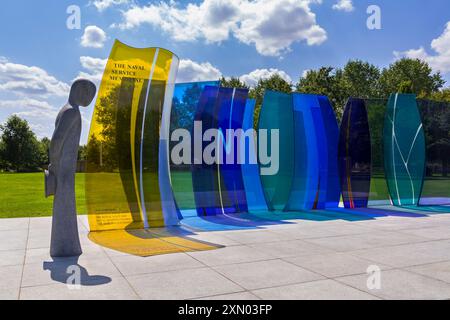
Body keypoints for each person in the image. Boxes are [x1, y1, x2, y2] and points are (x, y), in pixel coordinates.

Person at [45, 79, 96, 257]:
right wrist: (54, 164)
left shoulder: (66, 110)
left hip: (64, 168)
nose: (90, 99)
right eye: (89, 94)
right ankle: (65, 247)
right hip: (64, 170)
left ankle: (65, 246)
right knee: (64, 207)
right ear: (78, 91)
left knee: (64, 207)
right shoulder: (71, 112)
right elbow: (56, 140)